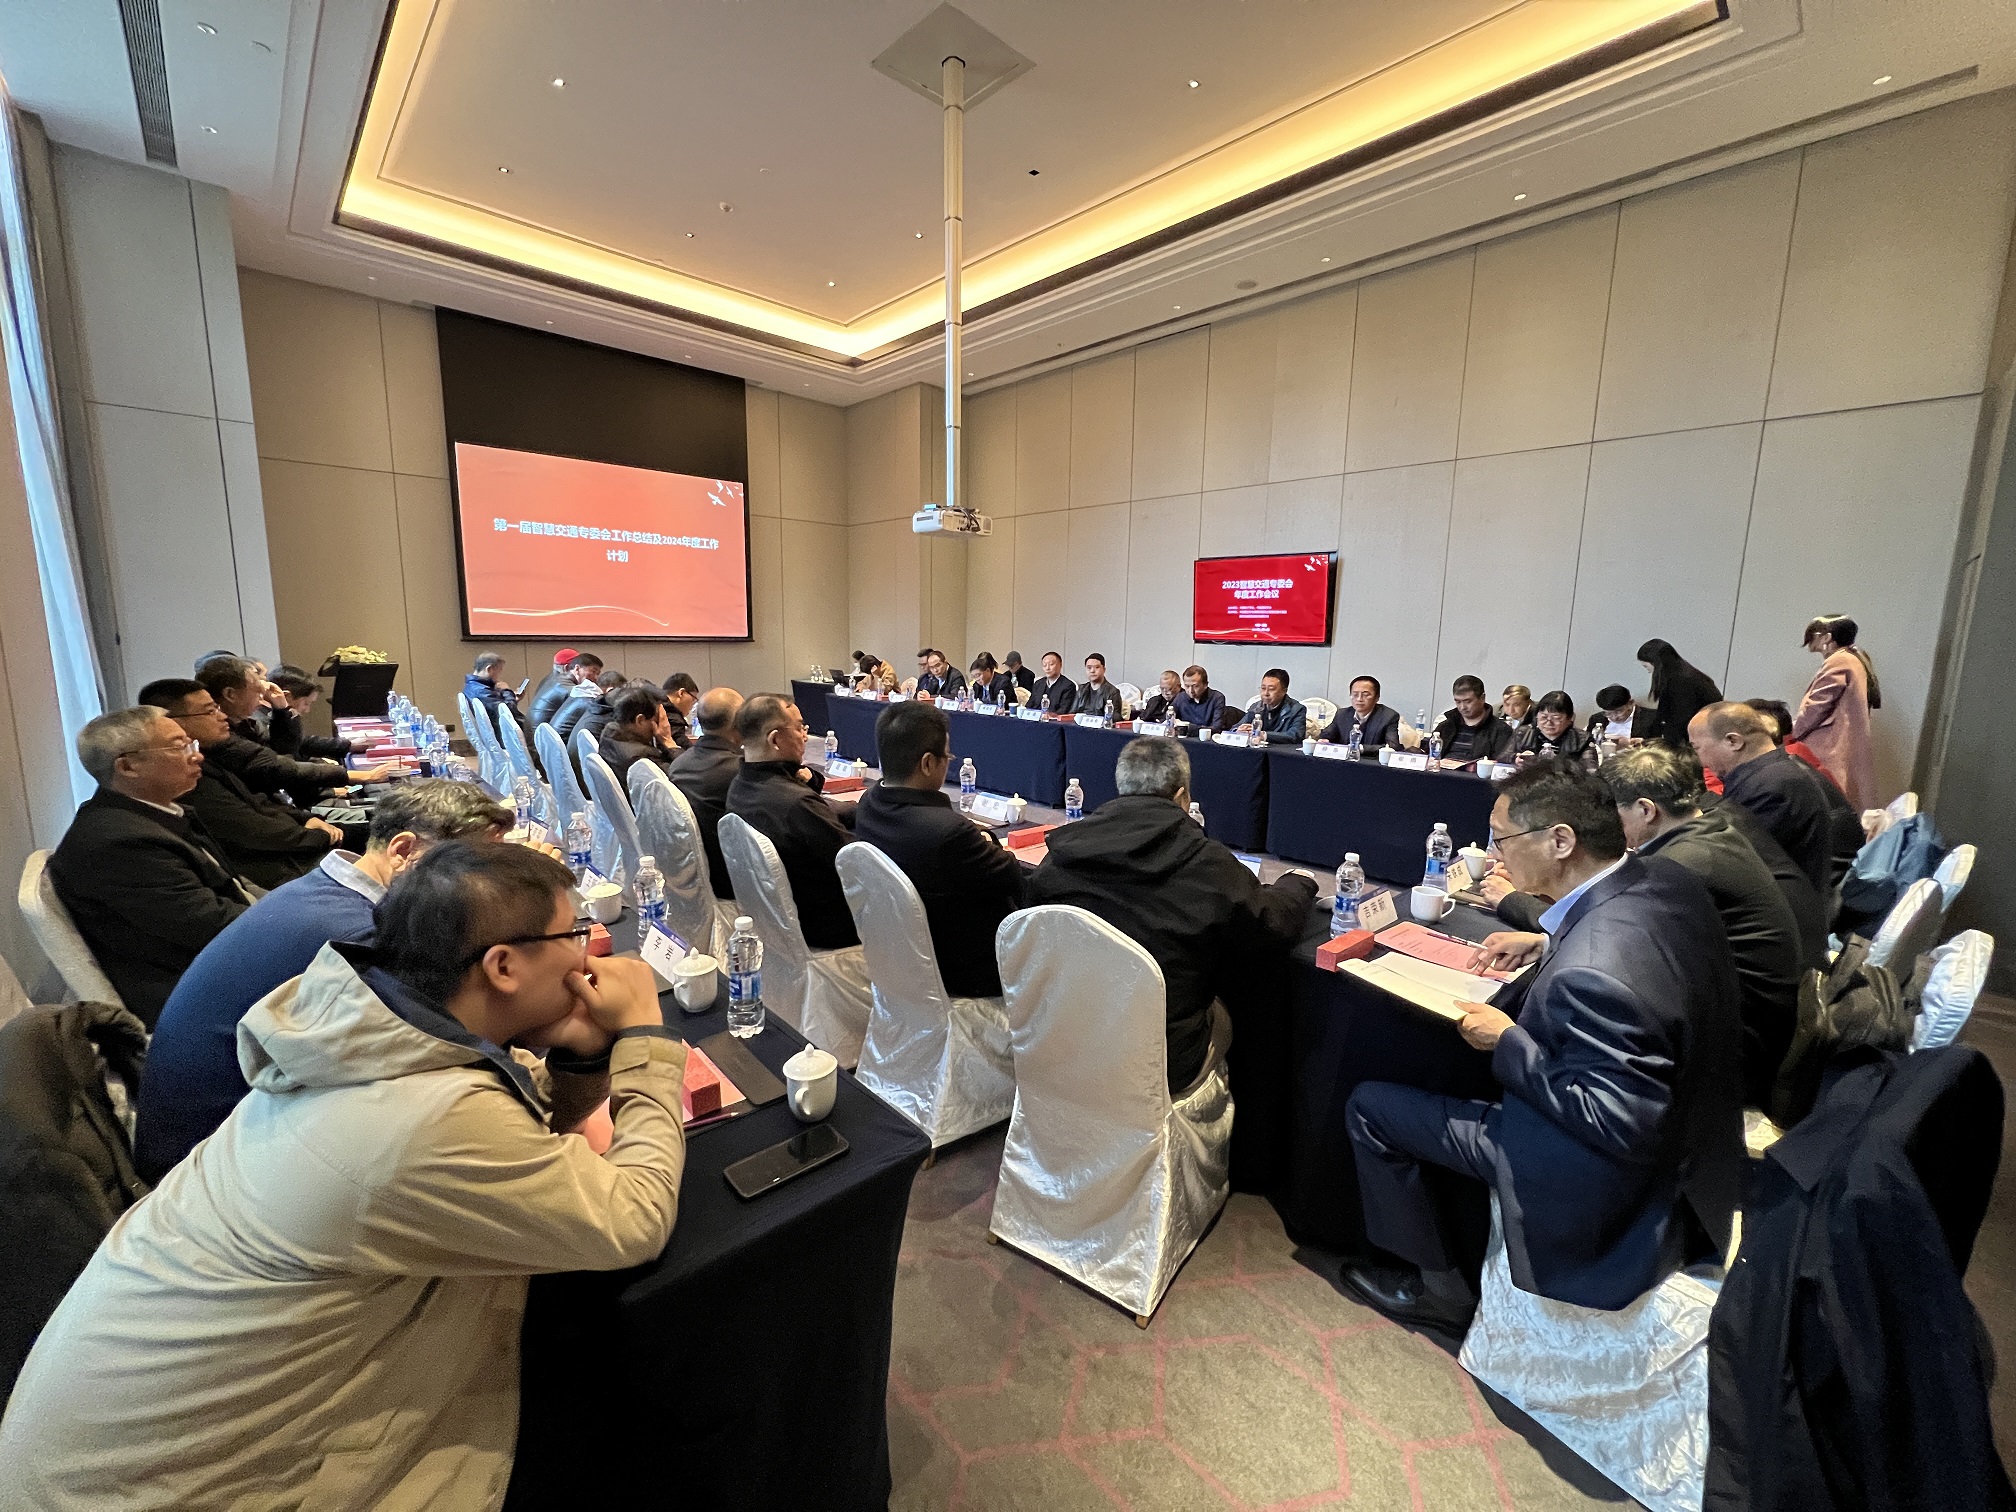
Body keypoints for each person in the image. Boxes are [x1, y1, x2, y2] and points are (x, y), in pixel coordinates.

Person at [0, 843, 687, 1508]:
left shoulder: (360, 1027)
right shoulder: (422, 1120)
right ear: (503, 966)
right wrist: (644, 1040)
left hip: (130, 1446)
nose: (588, 954)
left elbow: (515, 1135)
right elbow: (633, 1221)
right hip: (197, 1488)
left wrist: (579, 1057)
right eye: (575, 934)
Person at [1344, 762, 1743, 1326]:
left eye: (1501, 838)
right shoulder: (1661, 877)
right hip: (1703, 1135)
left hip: (1614, 1180)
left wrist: (1507, 1041)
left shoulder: (1594, 969)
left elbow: (1615, 1122)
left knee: (1371, 1107)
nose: (1495, 854)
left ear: (1561, 841)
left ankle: (1439, 1291)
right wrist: (1547, 940)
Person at [131, 780, 515, 1182]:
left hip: (221, 1131)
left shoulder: (320, 892)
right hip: (211, 1165)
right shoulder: (357, 935)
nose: (489, 882)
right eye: (475, 866)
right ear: (404, 851)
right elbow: (461, 1043)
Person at [1026, 737, 1317, 1092]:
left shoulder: (1061, 853)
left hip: (1066, 1037)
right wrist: (1298, 883)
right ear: (1182, 797)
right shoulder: (1206, 863)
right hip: (1162, 1060)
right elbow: (1274, 923)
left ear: (1122, 787)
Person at [1602, 745, 1803, 1107]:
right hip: (1756, 1026)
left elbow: (1612, 942)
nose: (1609, 827)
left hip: (1736, 1056)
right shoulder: (1712, 828)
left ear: (1646, 809)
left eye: (1612, 813)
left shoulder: (1680, 864)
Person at [44, 708, 251, 1027]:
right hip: (197, 996)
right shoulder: (118, 843)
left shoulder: (148, 816)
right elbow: (214, 926)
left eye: (191, 744)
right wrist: (301, 918)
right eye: (179, 747)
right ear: (127, 766)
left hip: (216, 965)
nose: (197, 756)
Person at [852, 702, 1026, 998]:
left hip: (902, 959)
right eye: (947, 756)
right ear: (928, 763)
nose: (949, 763)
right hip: (967, 974)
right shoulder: (949, 832)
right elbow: (1013, 877)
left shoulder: (868, 805)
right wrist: (987, 841)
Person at [141, 678, 344, 890]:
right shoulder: (184, 778)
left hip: (290, 845)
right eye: (210, 711)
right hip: (277, 870)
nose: (221, 716)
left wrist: (306, 818)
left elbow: (260, 803)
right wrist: (321, 836)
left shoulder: (212, 753)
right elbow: (253, 830)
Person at [726, 694, 858, 948]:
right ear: (775, 739)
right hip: (827, 928)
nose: (805, 737)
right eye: (799, 728)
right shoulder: (797, 805)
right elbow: (857, 862)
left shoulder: (738, 786)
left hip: (774, 920)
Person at [1689, 702, 1859, 896]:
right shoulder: (1780, 770)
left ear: (1733, 741)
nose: (1700, 761)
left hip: (1797, 903)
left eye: (1697, 748)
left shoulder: (1770, 788)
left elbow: (1734, 863)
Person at [197, 656, 389, 803]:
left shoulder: (246, 723)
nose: (264, 691)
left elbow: (286, 750)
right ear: (230, 694)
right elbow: (279, 766)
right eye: (257, 685)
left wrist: (282, 710)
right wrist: (353, 776)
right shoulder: (223, 736)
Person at [1793, 613, 1880, 808]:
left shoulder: (1838, 661)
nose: (1811, 640)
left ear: (1827, 637)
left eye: (1814, 635)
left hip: (1827, 745)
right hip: (1842, 743)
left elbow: (1816, 707)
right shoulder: (1855, 658)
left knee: (1820, 799)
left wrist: (1792, 732)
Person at [670, 688, 744, 899]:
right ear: (739, 723)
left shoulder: (679, 765)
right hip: (731, 881)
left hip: (690, 875)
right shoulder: (739, 772)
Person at [1636, 638, 1723, 749]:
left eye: (1646, 666)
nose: (1648, 671)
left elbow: (1679, 719)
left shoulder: (1682, 681)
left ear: (1656, 663)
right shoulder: (1682, 674)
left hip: (1698, 735)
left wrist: (1660, 745)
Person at [267, 666, 355, 761]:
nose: (307, 710)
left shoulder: (280, 716)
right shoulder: (267, 723)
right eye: (306, 703)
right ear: (286, 697)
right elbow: (289, 757)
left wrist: (346, 745)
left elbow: (300, 744)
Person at [600, 686, 678, 787]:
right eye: (657, 720)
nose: (661, 725)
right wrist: (669, 742)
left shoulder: (609, 733)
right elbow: (683, 778)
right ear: (640, 720)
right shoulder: (643, 756)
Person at [1432, 675, 1516, 763]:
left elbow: (1502, 764)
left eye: (1468, 701)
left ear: (1482, 698)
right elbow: (1429, 755)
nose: (1462, 707)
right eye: (1458, 702)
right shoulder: (1445, 727)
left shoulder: (1501, 731)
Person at [1318, 675, 1402, 751]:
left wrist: (1360, 748)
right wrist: (1324, 740)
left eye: (1365, 695)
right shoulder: (1342, 714)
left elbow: (1392, 746)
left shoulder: (1389, 717)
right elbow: (1326, 735)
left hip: (1371, 761)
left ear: (1377, 697)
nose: (1359, 699)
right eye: (1355, 694)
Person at [551, 666, 626, 747]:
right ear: (611, 690)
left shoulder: (581, 694)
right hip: (566, 748)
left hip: (557, 747)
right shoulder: (593, 704)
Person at [1509, 691, 1587, 762]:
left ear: (1570, 718)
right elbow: (1505, 756)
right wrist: (1516, 758)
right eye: (1543, 717)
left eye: (1556, 718)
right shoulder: (1523, 733)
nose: (1549, 722)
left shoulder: (1581, 739)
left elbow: (1590, 768)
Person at [1241, 667, 1308, 743]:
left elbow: (1295, 735)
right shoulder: (1256, 707)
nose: (1266, 693)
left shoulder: (1297, 709)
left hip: (1281, 749)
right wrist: (1239, 730)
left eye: (1271, 689)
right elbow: (1236, 727)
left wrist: (1264, 735)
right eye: (1263, 688)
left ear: (1284, 691)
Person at [1587, 683, 1658, 745]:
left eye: (1618, 711)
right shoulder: (1596, 719)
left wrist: (1643, 743)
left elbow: (1659, 745)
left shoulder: (1652, 718)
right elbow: (1588, 743)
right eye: (1608, 713)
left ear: (1631, 703)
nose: (1614, 717)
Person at [464, 650, 521, 723]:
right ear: (489, 669)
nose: (499, 676)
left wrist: (514, 699)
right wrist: (507, 691)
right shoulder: (481, 691)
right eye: (499, 671)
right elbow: (507, 712)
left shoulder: (473, 686)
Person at [526, 648, 581, 725]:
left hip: (534, 729)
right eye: (579, 668)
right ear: (567, 668)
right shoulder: (563, 686)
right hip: (542, 731)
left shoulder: (549, 680)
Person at [1173, 664, 1228, 732]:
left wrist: (1188, 727)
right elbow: (1169, 720)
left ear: (1205, 685)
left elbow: (1217, 728)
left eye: (1195, 686)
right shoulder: (1180, 698)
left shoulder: (1217, 698)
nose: (1191, 690)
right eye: (1187, 686)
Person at [1071, 653, 1124, 718]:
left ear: (1104, 670)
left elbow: (1115, 717)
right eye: (1089, 668)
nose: (1092, 671)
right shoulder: (1081, 689)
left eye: (1097, 667)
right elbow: (1072, 713)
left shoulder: (1112, 692)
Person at [659, 672, 700, 750]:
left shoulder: (658, 705)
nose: (692, 705)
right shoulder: (672, 717)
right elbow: (685, 749)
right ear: (681, 693)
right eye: (693, 699)